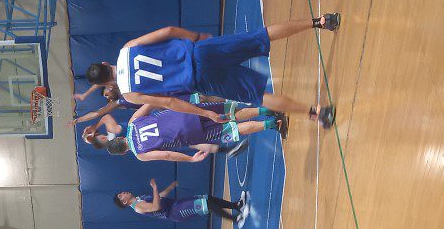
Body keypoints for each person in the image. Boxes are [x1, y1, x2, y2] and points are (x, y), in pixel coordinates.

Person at [84, 18, 341, 128]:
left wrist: (205, 112)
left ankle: (317, 112)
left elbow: (170, 103)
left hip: (201, 80)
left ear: (107, 84)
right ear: (105, 63)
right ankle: (319, 22)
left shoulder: (129, 94)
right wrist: (196, 37)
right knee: (259, 36)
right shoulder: (127, 48)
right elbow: (169, 31)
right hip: (200, 52)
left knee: (258, 97)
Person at [85, 102, 287, 162]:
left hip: (187, 134)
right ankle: (265, 110)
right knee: (229, 114)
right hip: (185, 112)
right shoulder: (132, 123)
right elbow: (150, 103)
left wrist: (190, 159)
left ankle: (271, 124)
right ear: (120, 138)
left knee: (231, 129)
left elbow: (167, 155)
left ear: (123, 152)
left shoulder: (140, 154)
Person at [115, 180, 247, 227]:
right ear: (124, 201)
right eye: (121, 195)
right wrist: (154, 188)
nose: (123, 192)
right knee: (207, 205)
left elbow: (159, 197)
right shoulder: (138, 207)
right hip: (174, 212)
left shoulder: (139, 198)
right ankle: (236, 219)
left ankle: (236, 206)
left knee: (207, 198)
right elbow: (156, 206)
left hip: (175, 204)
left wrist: (171, 187)